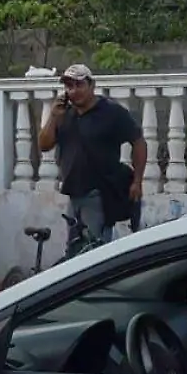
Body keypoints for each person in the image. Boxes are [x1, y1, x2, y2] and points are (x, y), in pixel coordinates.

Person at [38, 64, 147, 243]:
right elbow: (44, 145)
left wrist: (137, 181)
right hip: (73, 194)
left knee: (94, 250)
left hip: (99, 194)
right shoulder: (64, 113)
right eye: (69, 86)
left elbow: (138, 141)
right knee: (73, 248)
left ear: (92, 85)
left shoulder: (111, 112)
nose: (74, 91)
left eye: (79, 85)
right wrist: (53, 116)